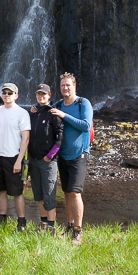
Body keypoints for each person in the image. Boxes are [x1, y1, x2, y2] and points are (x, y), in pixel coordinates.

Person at [50, 72, 93, 245]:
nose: (65, 88)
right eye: (62, 85)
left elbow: (85, 125)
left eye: (68, 85)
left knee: (75, 193)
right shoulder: (58, 104)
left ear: (74, 86)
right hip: (63, 155)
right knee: (67, 193)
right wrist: (35, 110)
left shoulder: (83, 103)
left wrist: (63, 116)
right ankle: (69, 227)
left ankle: (78, 232)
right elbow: (47, 114)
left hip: (79, 154)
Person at [0, 83, 31, 230]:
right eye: (4, 93)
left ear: (16, 95)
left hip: (14, 156)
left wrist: (19, 160)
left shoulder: (22, 113)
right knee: (1, 190)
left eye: (10, 93)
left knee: (17, 192)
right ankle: (2, 219)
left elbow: (26, 139)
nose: (7, 95)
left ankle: (21, 222)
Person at [27, 83, 64, 233]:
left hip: (48, 161)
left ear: (49, 96)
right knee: (38, 193)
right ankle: (43, 224)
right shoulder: (33, 113)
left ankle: (51, 226)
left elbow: (60, 138)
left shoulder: (53, 113)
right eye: (38, 94)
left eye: (44, 94)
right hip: (34, 160)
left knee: (49, 193)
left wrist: (50, 156)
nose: (41, 96)